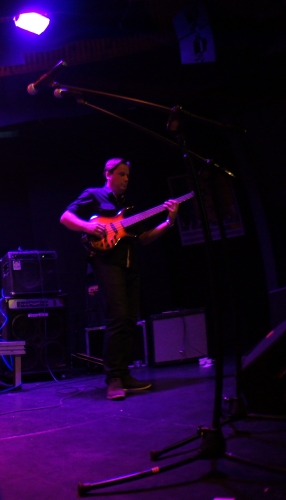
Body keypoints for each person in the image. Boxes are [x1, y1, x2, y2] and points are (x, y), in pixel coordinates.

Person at [60, 158, 178, 400]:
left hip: (129, 265)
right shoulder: (94, 195)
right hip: (107, 263)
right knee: (117, 316)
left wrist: (169, 221)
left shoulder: (129, 207)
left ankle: (124, 374)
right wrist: (88, 227)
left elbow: (144, 238)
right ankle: (113, 378)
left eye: (128, 176)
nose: (126, 179)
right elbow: (66, 217)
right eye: (121, 174)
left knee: (130, 319)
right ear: (108, 173)